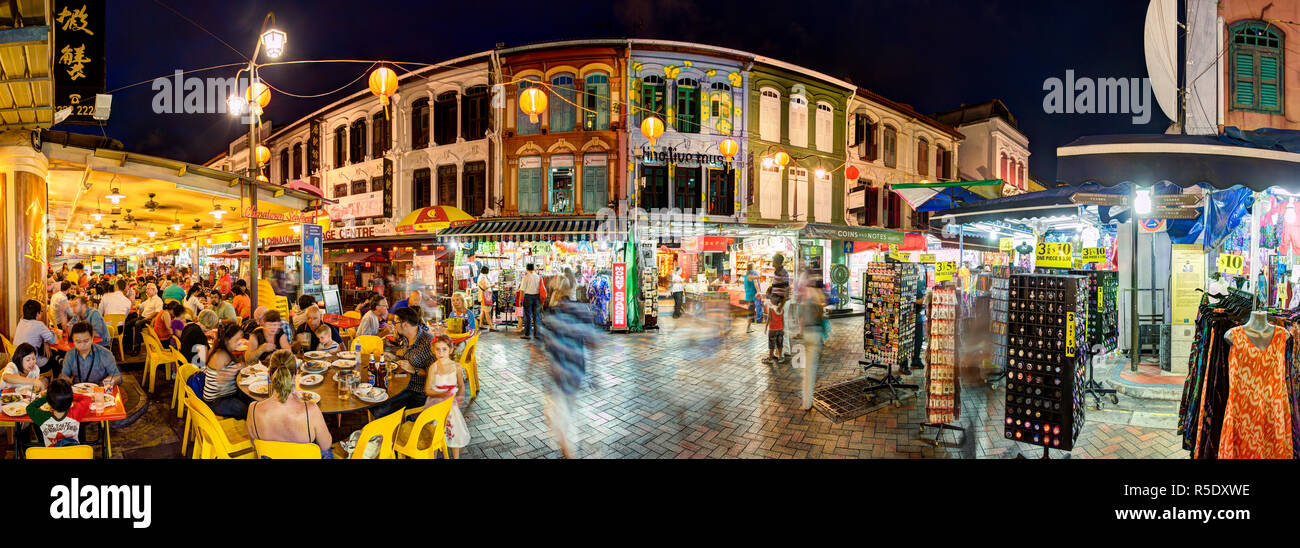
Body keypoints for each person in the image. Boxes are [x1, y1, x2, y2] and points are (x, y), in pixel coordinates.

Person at [537, 275, 601, 458]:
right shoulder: (583, 310)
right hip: (576, 370)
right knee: (565, 410)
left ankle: (568, 452)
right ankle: (567, 446)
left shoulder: (551, 313)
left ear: (554, 291)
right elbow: (593, 342)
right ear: (572, 289)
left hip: (556, 371)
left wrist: (532, 366)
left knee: (554, 417)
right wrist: (595, 372)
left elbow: (541, 344)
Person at [247, 349, 333, 459]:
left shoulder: (253, 409)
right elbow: (326, 445)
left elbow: (255, 444)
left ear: (269, 374)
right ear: (295, 375)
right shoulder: (310, 410)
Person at [371, 307, 436, 418]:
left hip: (418, 392)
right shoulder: (406, 337)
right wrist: (392, 357)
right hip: (404, 384)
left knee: (379, 411)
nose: (394, 325)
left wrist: (413, 369)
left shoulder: (428, 342)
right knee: (372, 402)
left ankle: (392, 430)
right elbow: (407, 358)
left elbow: (435, 375)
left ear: (405, 324)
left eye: (395, 322)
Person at [414, 335, 470, 458]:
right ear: (433, 350)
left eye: (444, 349)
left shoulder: (456, 367)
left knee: (454, 432)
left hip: (450, 405)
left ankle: (455, 457)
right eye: (437, 349)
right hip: (435, 403)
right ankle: (432, 455)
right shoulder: (433, 367)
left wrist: (460, 397)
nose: (441, 353)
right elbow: (428, 390)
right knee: (433, 433)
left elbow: (461, 385)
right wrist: (442, 394)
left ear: (450, 350)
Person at [203, 324, 254, 418]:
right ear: (227, 340)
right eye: (236, 340)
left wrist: (236, 367)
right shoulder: (221, 355)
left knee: (252, 402)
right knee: (249, 410)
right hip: (216, 401)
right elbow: (220, 380)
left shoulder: (219, 349)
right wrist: (232, 371)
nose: (240, 343)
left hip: (224, 396)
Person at [26, 379, 87, 447]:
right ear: (70, 400)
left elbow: (29, 408)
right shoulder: (76, 412)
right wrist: (69, 396)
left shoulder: (42, 417)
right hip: (73, 454)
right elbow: (87, 399)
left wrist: (48, 397)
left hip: (52, 455)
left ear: (49, 402)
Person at [59, 321, 121, 386]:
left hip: (99, 391)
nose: (82, 345)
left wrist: (112, 380)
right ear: (73, 340)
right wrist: (64, 379)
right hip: (78, 391)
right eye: (78, 342)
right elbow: (65, 375)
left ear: (92, 338)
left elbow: (118, 377)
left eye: (86, 341)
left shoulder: (105, 354)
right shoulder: (70, 355)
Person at [14, 299, 56, 372]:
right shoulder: (39, 325)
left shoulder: (21, 321)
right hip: (31, 365)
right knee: (55, 357)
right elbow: (54, 341)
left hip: (18, 362)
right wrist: (52, 331)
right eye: (41, 311)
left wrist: (45, 342)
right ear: (37, 314)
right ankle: (54, 381)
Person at [520, 263, 542, 340]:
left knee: (528, 316)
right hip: (537, 297)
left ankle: (527, 334)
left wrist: (520, 300)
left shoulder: (526, 277)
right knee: (536, 316)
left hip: (528, 297)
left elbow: (522, 290)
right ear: (534, 269)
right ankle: (537, 334)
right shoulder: (538, 277)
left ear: (527, 269)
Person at [764, 290, 786, 364]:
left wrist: (766, 327)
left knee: (771, 344)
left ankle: (770, 358)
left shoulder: (771, 308)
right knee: (780, 344)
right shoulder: (781, 309)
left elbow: (768, 319)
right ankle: (780, 357)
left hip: (772, 329)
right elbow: (783, 320)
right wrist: (783, 329)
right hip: (780, 329)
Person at [477, 266, 494, 332]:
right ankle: (491, 326)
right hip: (485, 296)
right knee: (487, 311)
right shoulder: (482, 277)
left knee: (483, 311)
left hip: (483, 296)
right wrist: (491, 285)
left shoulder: (481, 276)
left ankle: (481, 324)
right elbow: (484, 287)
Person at [744, 264, 759, 333]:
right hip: (751, 296)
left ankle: (749, 327)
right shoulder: (750, 276)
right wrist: (759, 292)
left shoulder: (746, 276)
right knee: (751, 312)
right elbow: (756, 280)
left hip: (748, 295)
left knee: (750, 311)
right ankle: (748, 328)